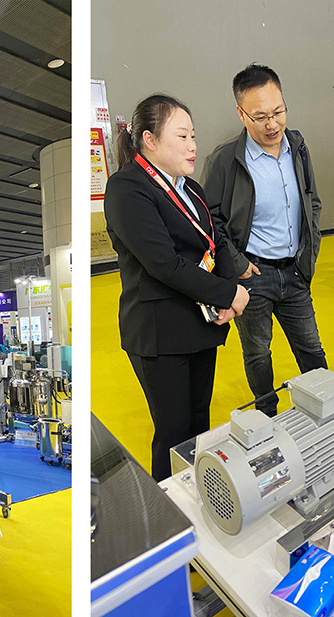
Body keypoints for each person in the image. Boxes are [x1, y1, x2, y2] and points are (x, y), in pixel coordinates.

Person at [106, 94, 247, 481]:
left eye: (193, 136)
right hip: (160, 331)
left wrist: (227, 288)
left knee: (199, 423)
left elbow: (215, 242)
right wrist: (227, 294)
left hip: (200, 321)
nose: (192, 146)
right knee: (173, 432)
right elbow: (163, 263)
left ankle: (200, 494)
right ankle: (167, 507)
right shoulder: (127, 188)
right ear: (149, 140)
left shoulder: (191, 188)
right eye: (182, 136)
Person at [203, 63, 326, 419]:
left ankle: (326, 406)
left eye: (278, 112)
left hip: (295, 271)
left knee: (311, 347)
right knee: (258, 352)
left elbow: (312, 201)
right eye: (260, 117)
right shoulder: (225, 161)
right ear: (241, 114)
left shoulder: (297, 147)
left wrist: (309, 251)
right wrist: (237, 264)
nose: (272, 124)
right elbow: (211, 222)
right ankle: (267, 413)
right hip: (253, 275)